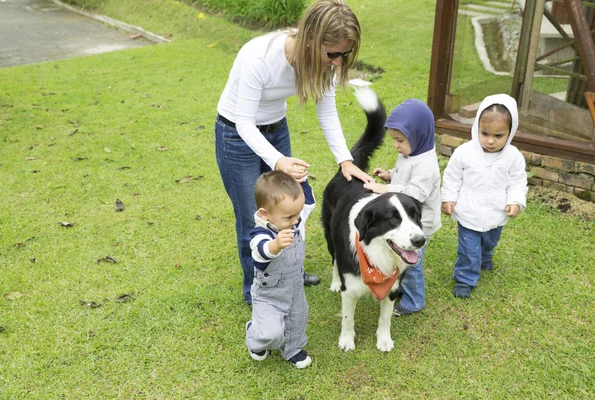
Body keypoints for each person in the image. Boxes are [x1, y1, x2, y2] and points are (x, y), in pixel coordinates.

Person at [215, 0, 373, 305]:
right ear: (311, 39)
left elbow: (327, 112)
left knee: (291, 208)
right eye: (333, 54)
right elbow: (244, 122)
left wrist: (345, 159)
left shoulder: (323, 61)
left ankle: (290, 272)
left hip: (276, 129)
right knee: (255, 216)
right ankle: (257, 291)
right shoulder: (259, 57)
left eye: (345, 54)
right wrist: (278, 160)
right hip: (235, 134)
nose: (338, 63)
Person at [441, 94, 527, 298]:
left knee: (489, 242)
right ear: (476, 128)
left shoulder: (513, 157)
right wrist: (448, 198)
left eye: (498, 136)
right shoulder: (464, 153)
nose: (490, 141)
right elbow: (452, 176)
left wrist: (515, 201)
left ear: (510, 133)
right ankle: (465, 279)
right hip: (468, 212)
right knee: (469, 249)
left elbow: (518, 182)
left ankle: (485, 257)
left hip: (496, 213)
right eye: (484, 133)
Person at [363, 99, 441, 316]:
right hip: (407, 222)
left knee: (412, 262)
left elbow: (415, 193)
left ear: (418, 135)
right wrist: (390, 174)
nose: (395, 145)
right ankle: (403, 288)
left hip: (419, 225)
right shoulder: (410, 153)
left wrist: (384, 188)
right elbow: (404, 173)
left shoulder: (426, 165)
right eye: (394, 140)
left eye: (400, 140)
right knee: (404, 258)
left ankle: (414, 301)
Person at [246, 170, 315, 369]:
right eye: (289, 217)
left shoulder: (292, 218)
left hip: (294, 289)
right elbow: (261, 251)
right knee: (271, 333)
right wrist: (275, 245)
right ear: (265, 214)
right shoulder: (261, 233)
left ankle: (293, 349)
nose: (296, 220)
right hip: (269, 294)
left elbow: (308, 204)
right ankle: (255, 334)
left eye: (297, 214)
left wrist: (303, 181)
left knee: (298, 319)